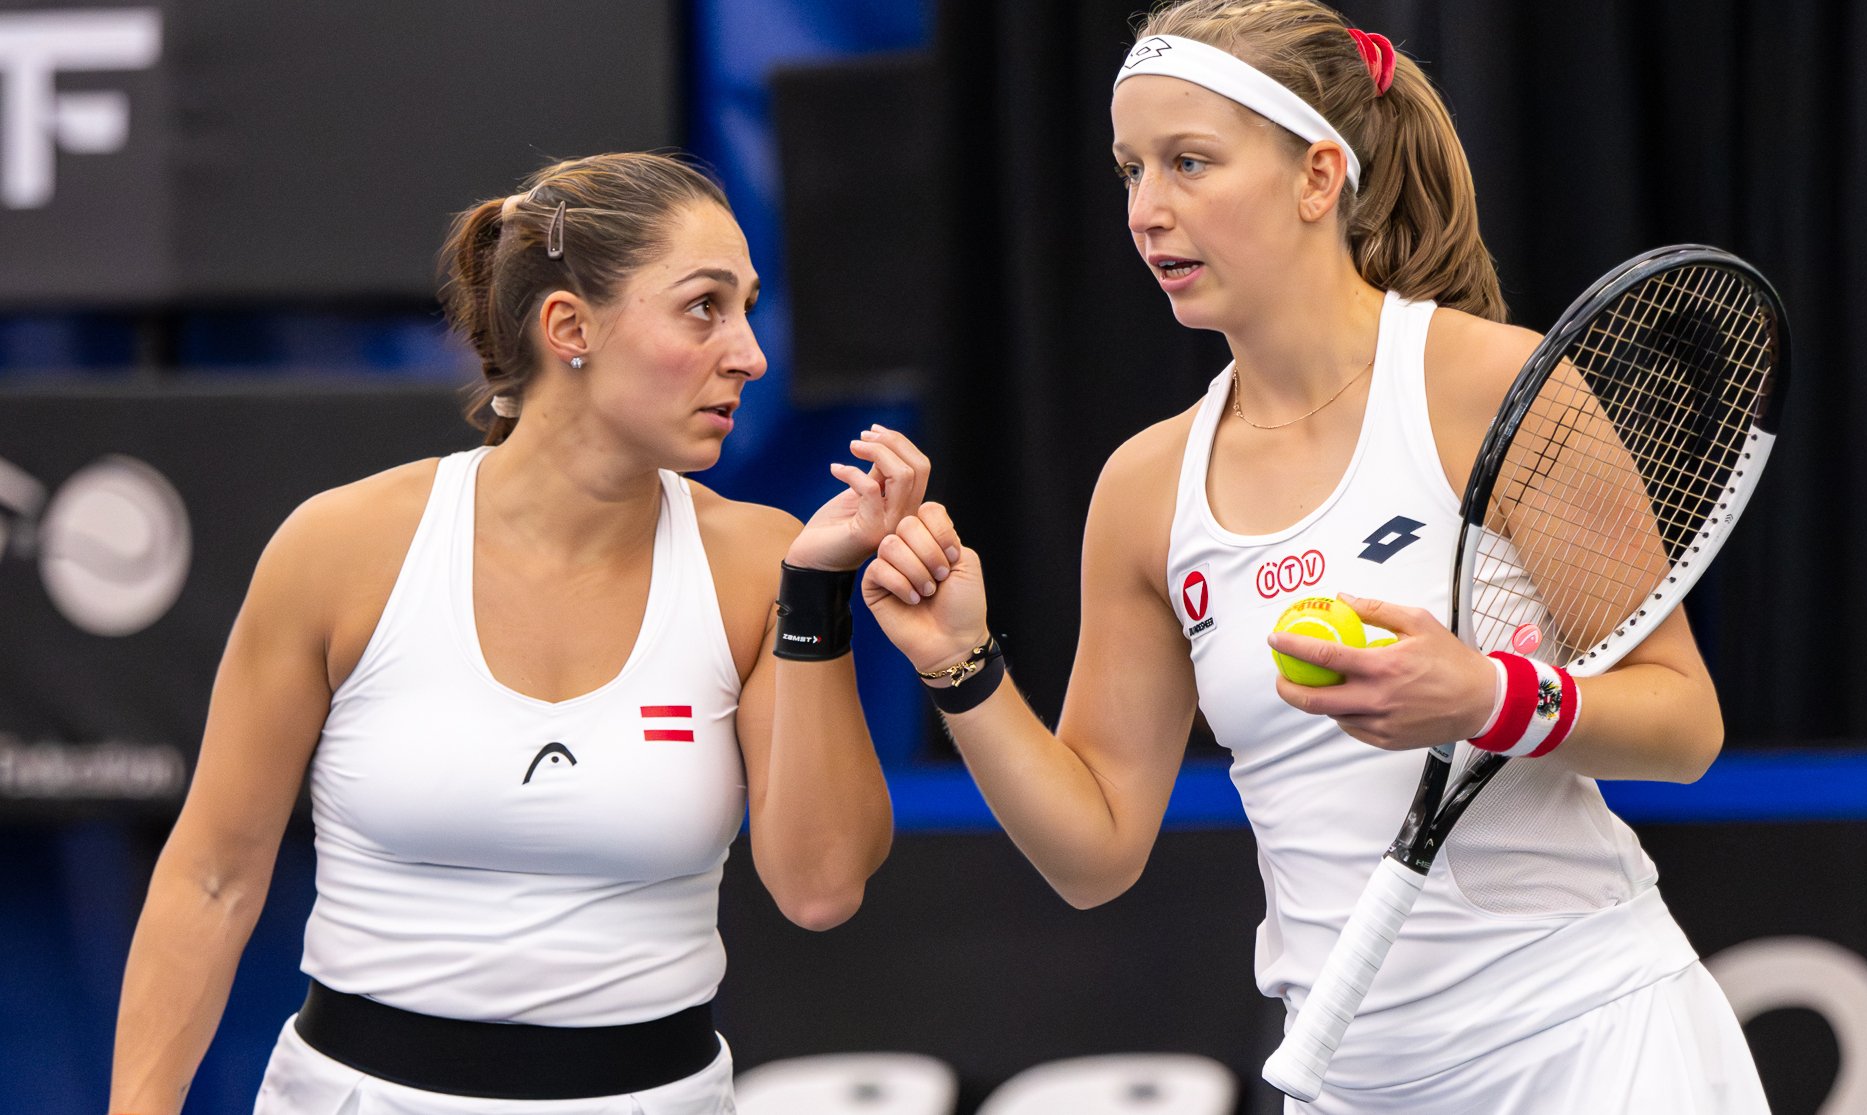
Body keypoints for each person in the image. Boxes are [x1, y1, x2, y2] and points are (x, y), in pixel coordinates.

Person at [859, 2, 1770, 1111]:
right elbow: (1093, 850)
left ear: (1318, 176)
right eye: (1130, 169)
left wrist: (1486, 695)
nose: (1149, 211)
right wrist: (961, 665)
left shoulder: (1493, 385)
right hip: (1347, 1076)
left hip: (1598, 1047)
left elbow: (1684, 724)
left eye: (1190, 162)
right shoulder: (1145, 487)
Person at [108, 152, 925, 1115]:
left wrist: (815, 599)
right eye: (704, 306)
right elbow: (210, 875)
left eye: (748, 306)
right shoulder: (341, 546)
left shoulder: (761, 561)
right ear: (569, 326)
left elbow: (820, 886)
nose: (749, 352)